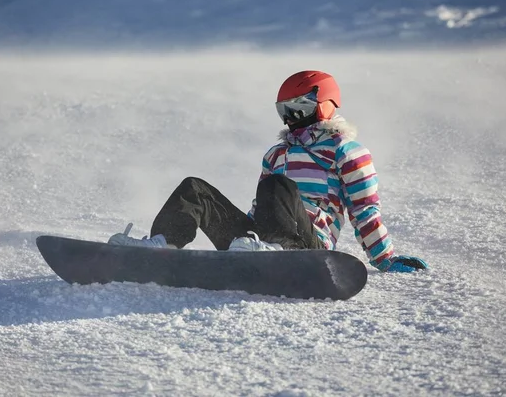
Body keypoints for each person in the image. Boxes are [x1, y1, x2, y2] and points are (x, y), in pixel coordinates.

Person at [109, 70, 428, 273]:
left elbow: (364, 210)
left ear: (325, 104)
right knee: (194, 189)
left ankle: (273, 251)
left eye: (298, 108)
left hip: (307, 247)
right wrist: (244, 232)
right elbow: (264, 205)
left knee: (278, 186)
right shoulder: (277, 153)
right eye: (284, 111)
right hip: (254, 241)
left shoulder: (347, 151)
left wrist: (384, 258)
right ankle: (161, 247)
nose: (290, 118)